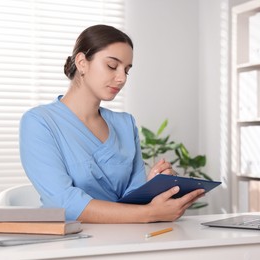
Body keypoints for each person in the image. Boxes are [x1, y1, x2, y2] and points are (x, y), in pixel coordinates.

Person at [19, 24, 205, 223]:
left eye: (127, 70)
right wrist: (150, 213)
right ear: (82, 62)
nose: (121, 78)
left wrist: (153, 186)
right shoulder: (39, 122)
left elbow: (132, 196)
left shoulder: (125, 124)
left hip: (127, 236)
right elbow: (64, 201)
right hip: (70, 241)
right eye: (111, 66)